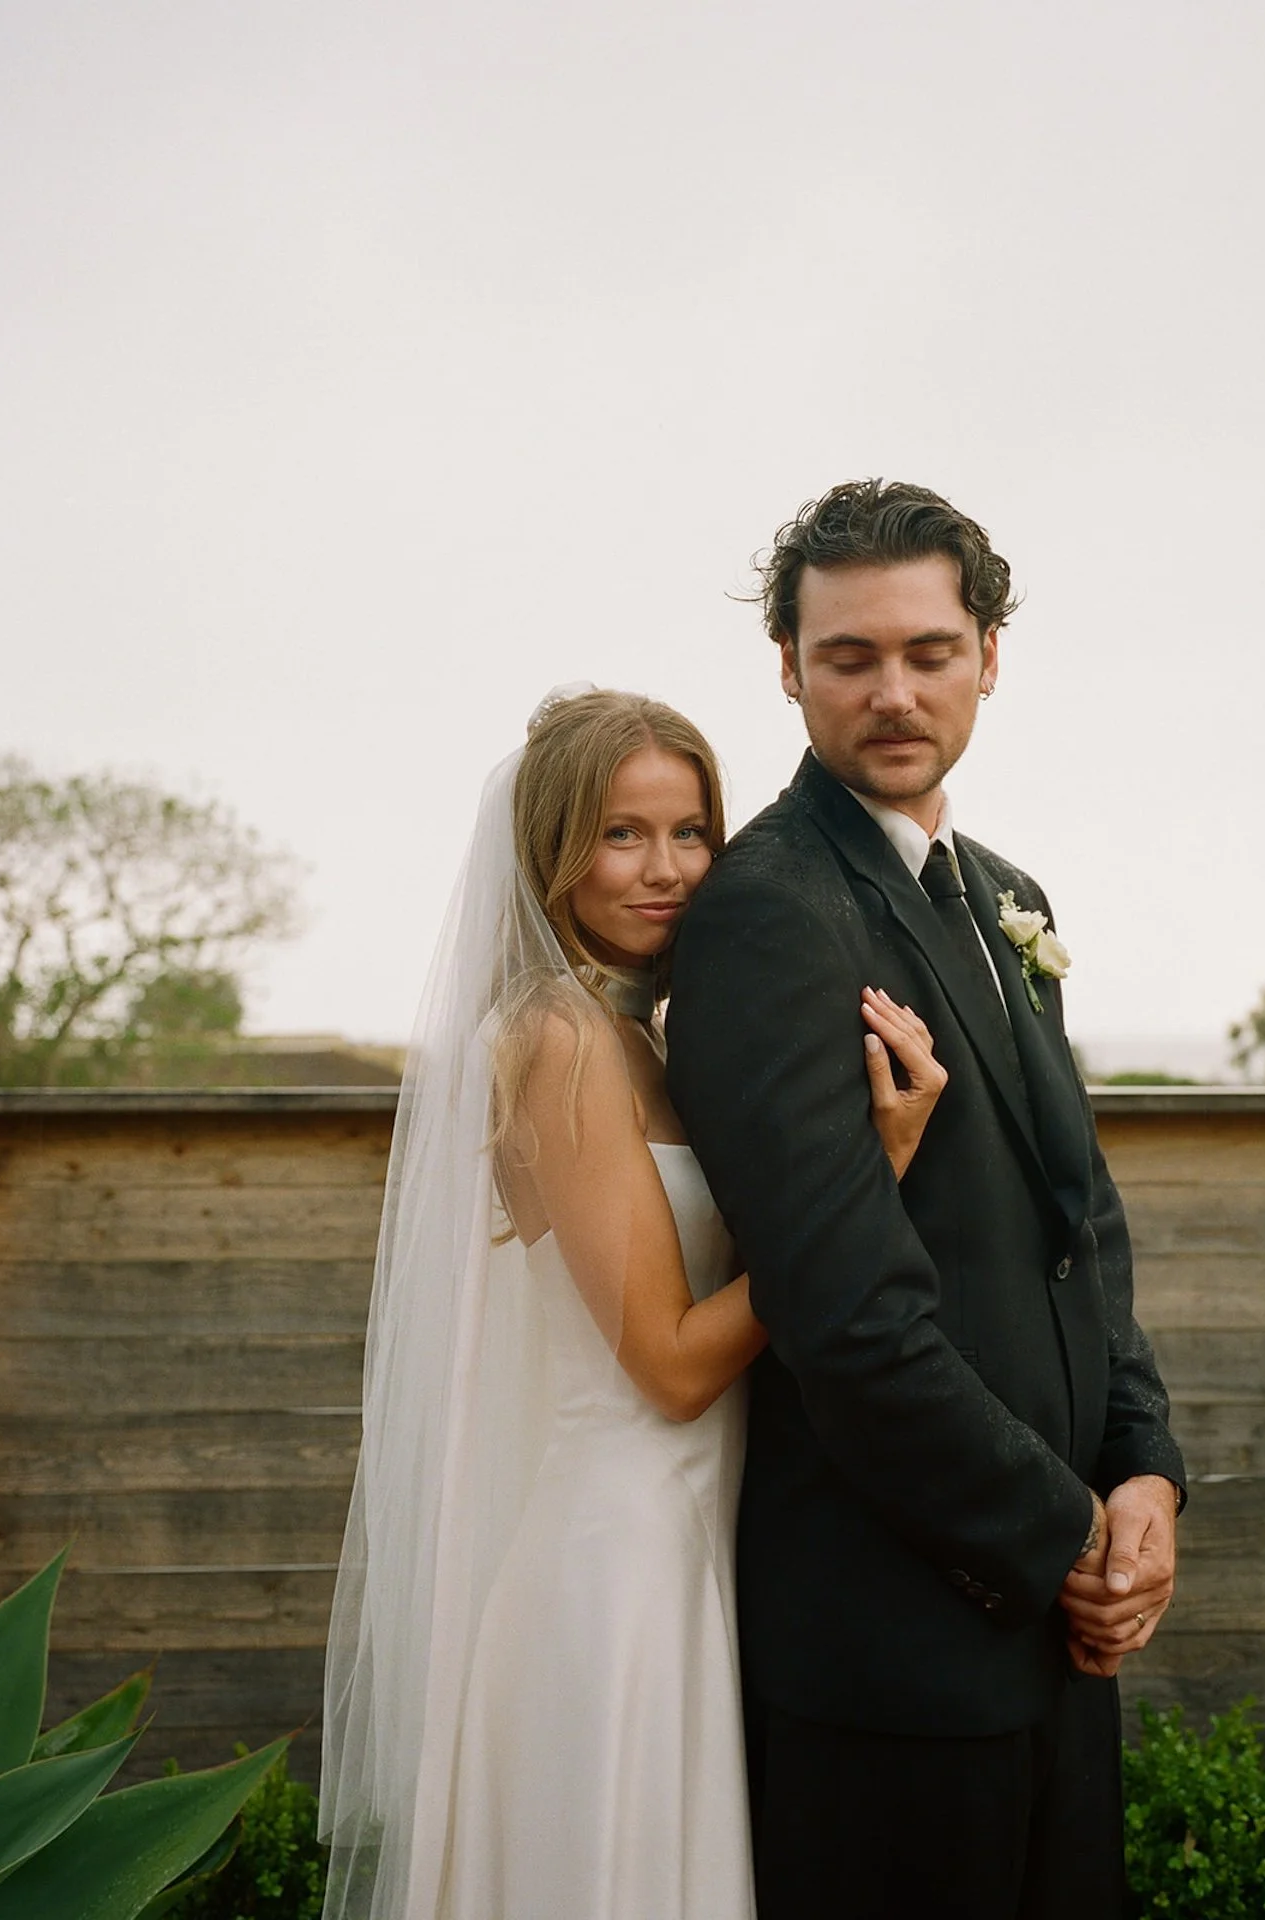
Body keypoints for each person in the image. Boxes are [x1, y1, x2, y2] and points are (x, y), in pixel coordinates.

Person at [318, 684, 945, 1920]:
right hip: (612, 1573)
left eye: (691, 832)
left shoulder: (640, 1034)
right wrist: (867, 1185)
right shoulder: (556, 1038)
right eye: (621, 835)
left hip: (685, 1538)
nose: (665, 871)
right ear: (551, 852)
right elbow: (665, 1363)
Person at [666, 481, 1188, 1920]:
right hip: (890, 1654)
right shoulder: (770, 912)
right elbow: (843, 1317)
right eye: (847, 657)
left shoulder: (1004, 889)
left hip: (1054, 1639)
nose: (892, 691)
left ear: (987, 656)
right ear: (786, 666)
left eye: (927, 651)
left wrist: (1144, 1473)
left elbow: (1077, 1230)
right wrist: (1067, 1537)